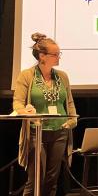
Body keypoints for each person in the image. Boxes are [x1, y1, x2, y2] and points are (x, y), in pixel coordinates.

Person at [12, 32, 77, 196]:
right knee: (35, 180)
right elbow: (17, 103)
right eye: (55, 54)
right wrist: (24, 111)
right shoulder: (27, 75)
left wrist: (72, 121)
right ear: (42, 56)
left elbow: (69, 103)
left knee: (52, 180)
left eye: (58, 54)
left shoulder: (62, 76)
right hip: (37, 133)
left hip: (60, 133)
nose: (58, 58)